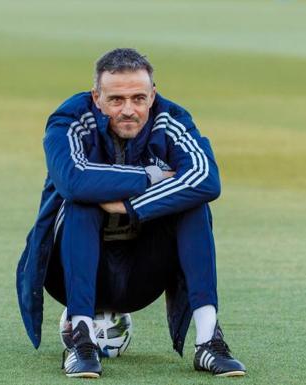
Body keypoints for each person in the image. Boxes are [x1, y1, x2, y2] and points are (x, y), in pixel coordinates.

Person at [16, 48, 246, 378]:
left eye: (139, 98)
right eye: (116, 100)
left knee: (193, 205)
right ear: (97, 98)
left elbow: (206, 178)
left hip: (141, 277)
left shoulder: (172, 118)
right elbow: (74, 181)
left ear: (152, 96)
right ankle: (81, 339)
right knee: (82, 204)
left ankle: (209, 341)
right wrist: (149, 177)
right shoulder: (67, 119)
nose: (128, 110)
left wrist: (131, 205)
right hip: (68, 275)